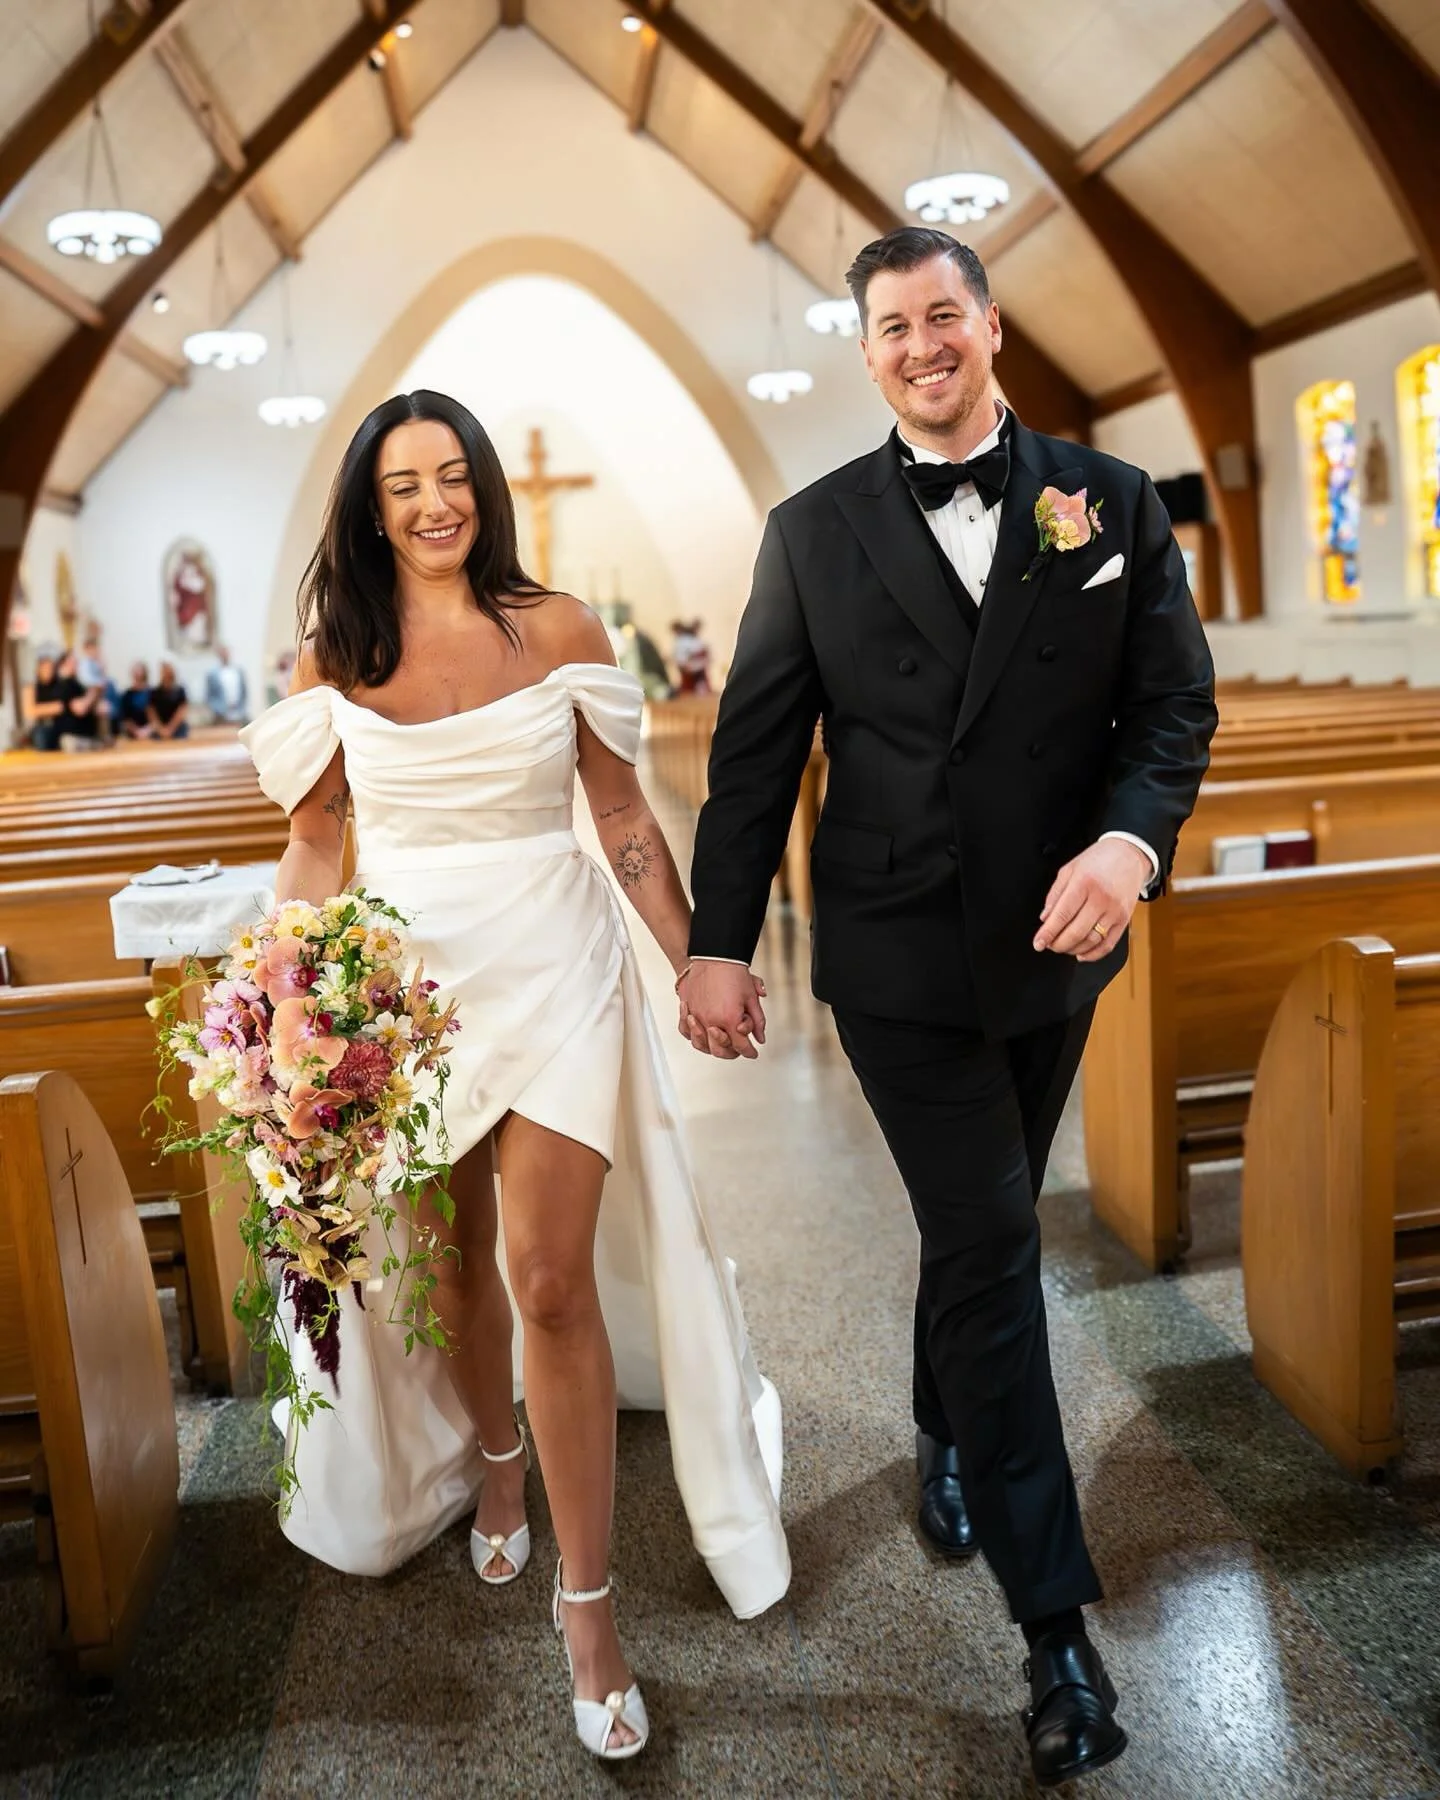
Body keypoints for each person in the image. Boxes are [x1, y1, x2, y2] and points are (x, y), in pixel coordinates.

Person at [680, 228, 1217, 1788]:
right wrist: (721, 943)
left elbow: (1171, 705)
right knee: (995, 1247)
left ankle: (940, 1422)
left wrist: (1130, 842)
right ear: (865, 356)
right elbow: (757, 759)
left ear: (991, 327)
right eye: (890, 328)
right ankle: (1054, 1634)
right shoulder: (813, 529)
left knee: (976, 1230)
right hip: (903, 957)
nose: (921, 345)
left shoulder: (1108, 500)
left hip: (1059, 944)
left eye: (943, 316)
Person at [239, 390, 788, 1763]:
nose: (433, 503)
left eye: (452, 477)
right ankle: (495, 1460)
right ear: (369, 508)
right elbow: (319, 846)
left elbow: (622, 818)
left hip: (554, 959)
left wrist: (695, 960)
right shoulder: (338, 657)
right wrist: (284, 996)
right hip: (408, 984)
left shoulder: (560, 630)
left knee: (548, 1275)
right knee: (454, 1254)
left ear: (484, 487)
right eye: (403, 484)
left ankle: (589, 1608)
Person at [204, 644, 249, 723]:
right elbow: (209, 694)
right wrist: (216, 708)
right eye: (223, 653)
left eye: (226, 652)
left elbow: (244, 691)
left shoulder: (238, 671)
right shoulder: (213, 673)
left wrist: (242, 707)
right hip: (221, 714)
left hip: (238, 712)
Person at [147, 661, 189, 740]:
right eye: (164, 672)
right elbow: (151, 713)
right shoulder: (154, 692)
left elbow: (182, 711)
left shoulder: (180, 691)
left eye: (168, 671)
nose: (166, 674)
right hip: (160, 727)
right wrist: (161, 729)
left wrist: (170, 729)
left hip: (177, 727)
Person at [116, 662, 154, 739]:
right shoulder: (126, 695)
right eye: (135, 671)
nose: (137, 673)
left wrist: (147, 730)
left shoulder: (153, 693)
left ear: (145, 673)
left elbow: (157, 718)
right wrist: (136, 731)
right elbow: (125, 718)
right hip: (132, 735)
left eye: (139, 670)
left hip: (152, 734)